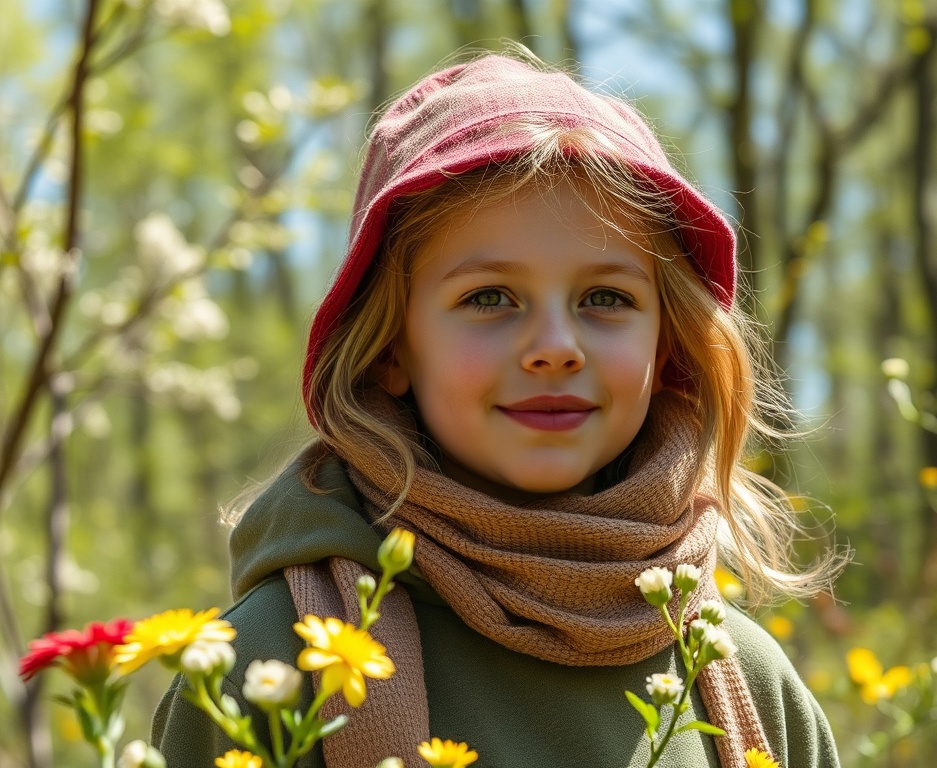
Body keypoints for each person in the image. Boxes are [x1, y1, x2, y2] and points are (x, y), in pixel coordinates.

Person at [153, 49, 843, 768]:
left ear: (667, 348)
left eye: (606, 298)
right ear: (390, 347)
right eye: (489, 298)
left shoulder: (751, 693)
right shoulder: (273, 668)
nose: (555, 347)